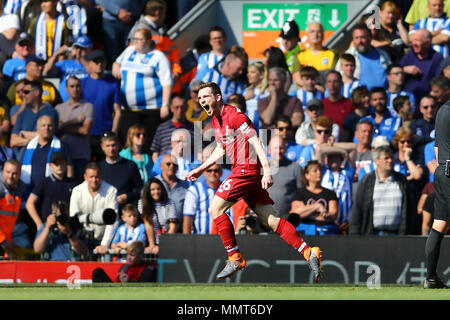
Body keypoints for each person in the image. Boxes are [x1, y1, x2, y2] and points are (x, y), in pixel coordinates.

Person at [185, 82, 323, 282]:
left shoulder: (235, 115)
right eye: (199, 98)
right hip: (245, 173)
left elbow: (256, 140)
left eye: (205, 96)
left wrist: (267, 171)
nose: (201, 101)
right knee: (270, 219)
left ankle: (234, 256)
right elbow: (222, 149)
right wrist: (200, 169)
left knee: (215, 209)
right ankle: (308, 251)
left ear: (217, 97)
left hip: (246, 171)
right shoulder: (216, 120)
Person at [113, 28, 172, 151]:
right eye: (134, 39)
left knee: (147, 144)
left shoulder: (158, 56)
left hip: (151, 110)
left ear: (148, 41)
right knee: (128, 144)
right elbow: (117, 61)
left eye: (140, 39)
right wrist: (116, 65)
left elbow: (167, 82)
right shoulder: (129, 51)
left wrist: (165, 105)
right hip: (129, 109)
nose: (136, 42)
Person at [349, 145, 416, 235]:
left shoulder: (402, 181)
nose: (390, 160)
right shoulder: (367, 181)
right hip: (372, 234)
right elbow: (357, 208)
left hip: (397, 235)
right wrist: (354, 233)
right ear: (376, 161)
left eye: (391, 157)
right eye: (386, 158)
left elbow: (410, 209)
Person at [423, 99, 450, 288]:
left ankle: (431, 278)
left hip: (441, 170)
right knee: (440, 223)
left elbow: (436, 147)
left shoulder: (442, 110)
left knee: (439, 223)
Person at [69, 162, 119, 255]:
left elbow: (113, 220)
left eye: (97, 177)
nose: (94, 180)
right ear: (85, 177)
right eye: (91, 177)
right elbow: (73, 217)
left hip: (102, 240)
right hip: (81, 240)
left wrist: (105, 244)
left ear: (101, 176)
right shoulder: (77, 191)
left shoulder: (111, 190)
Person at [127, 0, 181, 84]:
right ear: (157, 13)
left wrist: (176, 70)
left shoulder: (161, 28)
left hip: (167, 78)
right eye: (164, 13)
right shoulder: (139, 30)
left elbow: (172, 50)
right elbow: (134, 57)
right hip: (151, 81)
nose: (165, 16)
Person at [20, 115, 73, 199]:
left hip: (53, 194)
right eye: (43, 125)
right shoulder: (28, 147)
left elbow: (69, 170)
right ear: (38, 128)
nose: (46, 128)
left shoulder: (62, 146)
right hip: (29, 192)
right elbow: (21, 169)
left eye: (50, 125)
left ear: (54, 128)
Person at [81, 50, 121, 161]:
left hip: (106, 133)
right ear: (89, 63)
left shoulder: (113, 84)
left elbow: (117, 111)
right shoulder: (82, 84)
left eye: (101, 61)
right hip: (87, 133)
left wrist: (113, 133)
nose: (99, 64)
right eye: (96, 61)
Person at [25, 151, 77, 232]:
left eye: (62, 163)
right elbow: (29, 203)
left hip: (68, 227)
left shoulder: (73, 184)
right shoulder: (44, 182)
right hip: (48, 227)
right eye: (56, 163)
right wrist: (39, 224)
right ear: (51, 165)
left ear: (66, 164)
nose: (59, 166)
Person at [55, 75, 94, 182]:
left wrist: (63, 127)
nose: (75, 89)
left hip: (81, 156)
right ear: (66, 88)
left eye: (77, 86)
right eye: (72, 86)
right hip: (62, 158)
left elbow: (85, 130)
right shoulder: (59, 108)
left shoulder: (88, 106)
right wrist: (75, 121)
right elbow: (55, 130)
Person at [289, 160, 339, 235]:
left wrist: (307, 213)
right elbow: (295, 214)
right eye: (315, 171)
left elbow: (333, 215)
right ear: (307, 175)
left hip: (326, 233)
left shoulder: (330, 193)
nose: (319, 173)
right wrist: (318, 206)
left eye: (320, 170)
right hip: (305, 233)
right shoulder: (300, 193)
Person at [336, 23, 391, 90]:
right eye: (356, 38)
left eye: (363, 37)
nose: (360, 41)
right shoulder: (347, 56)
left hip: (382, 97)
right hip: (358, 98)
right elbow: (338, 79)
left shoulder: (382, 55)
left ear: (370, 38)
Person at [95, 0, 146, 68]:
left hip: (132, 20)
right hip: (111, 21)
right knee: (113, 57)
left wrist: (135, 11)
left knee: (133, 53)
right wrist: (118, 11)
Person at [99, 132, 143, 208]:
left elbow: (142, 190)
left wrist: (127, 196)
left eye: (113, 145)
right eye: (107, 146)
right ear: (102, 147)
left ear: (119, 145)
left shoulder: (130, 165)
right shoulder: (98, 168)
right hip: (104, 210)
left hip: (126, 212)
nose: (111, 149)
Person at [43, 35, 93, 102]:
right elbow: (46, 70)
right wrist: (56, 54)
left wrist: (80, 58)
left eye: (82, 48)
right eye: (77, 47)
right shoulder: (65, 63)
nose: (79, 50)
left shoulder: (92, 64)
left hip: (85, 104)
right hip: (65, 105)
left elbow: (92, 73)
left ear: (90, 50)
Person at [400, 28, 443, 102]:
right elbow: (395, 70)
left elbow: (437, 82)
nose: (414, 43)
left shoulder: (436, 58)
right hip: (406, 99)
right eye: (413, 40)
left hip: (426, 100)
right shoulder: (410, 54)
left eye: (417, 40)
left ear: (428, 43)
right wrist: (405, 69)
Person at [150, 94, 195, 163]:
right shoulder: (162, 128)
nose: (180, 110)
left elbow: (199, 153)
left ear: (187, 108)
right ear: (171, 108)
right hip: (165, 167)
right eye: (177, 107)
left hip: (187, 168)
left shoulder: (194, 129)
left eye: (182, 107)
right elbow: (155, 152)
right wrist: (159, 167)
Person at [183, 163, 225, 234]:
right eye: (209, 170)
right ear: (204, 172)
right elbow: (188, 217)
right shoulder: (194, 190)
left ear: (221, 172)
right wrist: (187, 241)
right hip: (200, 238)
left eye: (216, 170)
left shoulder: (227, 189)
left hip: (224, 237)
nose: (213, 173)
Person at [267, 135, 303, 219]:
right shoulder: (262, 168)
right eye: (275, 148)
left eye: (281, 148)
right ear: (269, 150)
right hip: (265, 218)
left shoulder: (295, 167)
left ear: (286, 149)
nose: (278, 151)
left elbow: (301, 193)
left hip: (287, 218)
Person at [139, 178, 177, 254]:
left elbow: (173, 226)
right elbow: (148, 224)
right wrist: (152, 245)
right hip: (150, 243)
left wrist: (164, 245)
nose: (156, 192)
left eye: (158, 189)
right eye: (152, 189)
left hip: (167, 242)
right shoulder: (142, 203)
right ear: (148, 191)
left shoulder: (170, 202)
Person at [92, 241, 156, 283]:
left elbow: (144, 289)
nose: (128, 257)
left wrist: (128, 281)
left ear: (141, 256)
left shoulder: (148, 270)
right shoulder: (125, 267)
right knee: (97, 272)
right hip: (118, 292)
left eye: (132, 255)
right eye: (127, 254)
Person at [154, 153, 189, 224]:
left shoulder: (185, 186)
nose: (172, 166)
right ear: (161, 166)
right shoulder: (153, 184)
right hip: (157, 230)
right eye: (168, 164)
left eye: (175, 164)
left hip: (179, 230)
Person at [0, 159, 25, 254]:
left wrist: (8, 241)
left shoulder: (17, 190)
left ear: (20, 175)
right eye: (8, 172)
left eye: (14, 173)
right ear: (3, 171)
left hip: (6, 241)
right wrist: (2, 240)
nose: (10, 176)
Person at [278, 19, 302, 87]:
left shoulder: (301, 55)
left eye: (288, 38)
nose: (285, 42)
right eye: (283, 38)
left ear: (297, 39)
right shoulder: (284, 55)